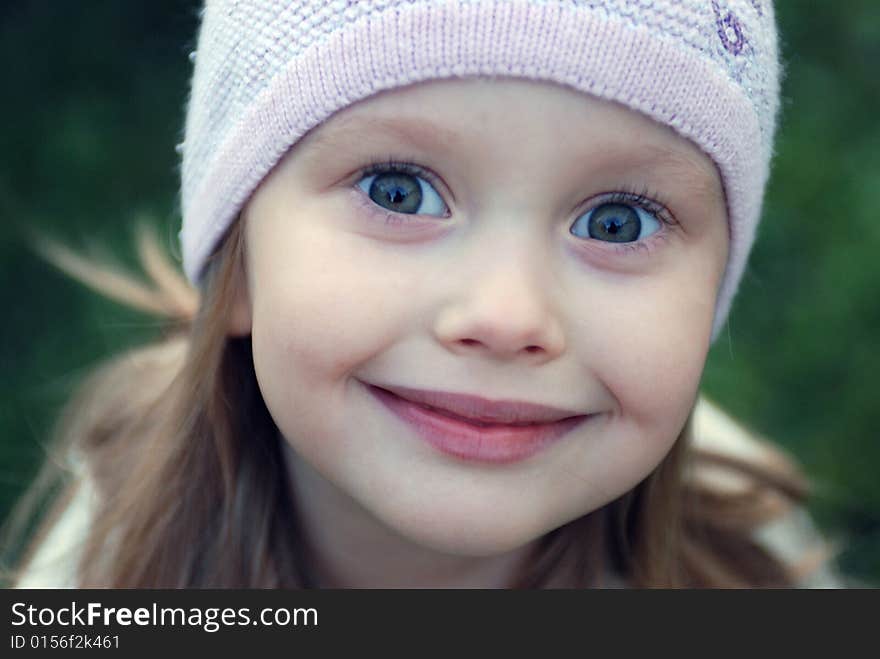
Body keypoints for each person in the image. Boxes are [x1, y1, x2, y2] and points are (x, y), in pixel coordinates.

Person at [6, 0, 839, 588]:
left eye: (617, 222)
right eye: (399, 191)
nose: (508, 315)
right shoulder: (105, 573)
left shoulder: (752, 560)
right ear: (241, 260)